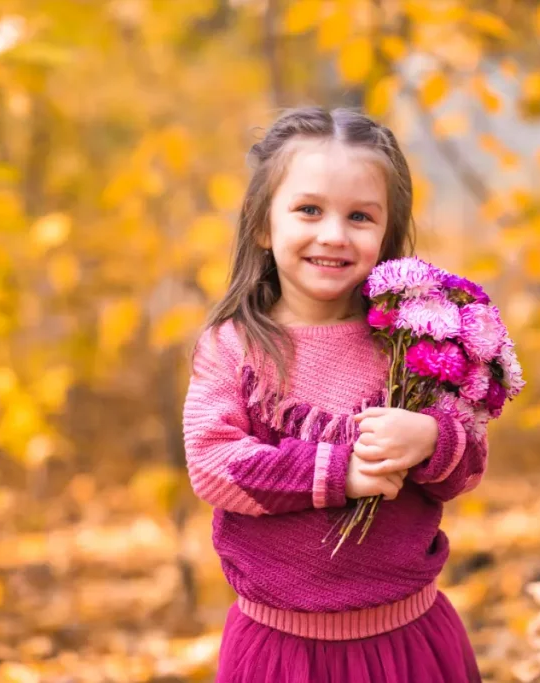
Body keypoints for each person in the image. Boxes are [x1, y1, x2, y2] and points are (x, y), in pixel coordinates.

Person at [182, 107, 486, 682]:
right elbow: (213, 463)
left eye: (360, 216)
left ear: (387, 235)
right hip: (279, 649)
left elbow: (466, 469)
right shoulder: (234, 346)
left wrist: (431, 438)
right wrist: (336, 472)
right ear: (262, 224)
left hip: (406, 641)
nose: (333, 235)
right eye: (309, 210)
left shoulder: (412, 341)